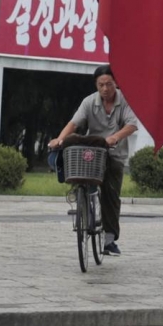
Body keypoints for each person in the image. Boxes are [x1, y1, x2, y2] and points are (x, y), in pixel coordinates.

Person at [49, 64, 138, 256]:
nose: (105, 89)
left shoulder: (125, 100)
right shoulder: (89, 102)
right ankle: (81, 196)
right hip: (93, 150)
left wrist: (115, 137)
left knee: (111, 193)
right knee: (72, 150)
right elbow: (73, 124)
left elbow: (132, 125)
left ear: (115, 83)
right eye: (101, 85)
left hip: (114, 153)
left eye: (109, 84)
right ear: (96, 85)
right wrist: (59, 139)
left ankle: (109, 239)